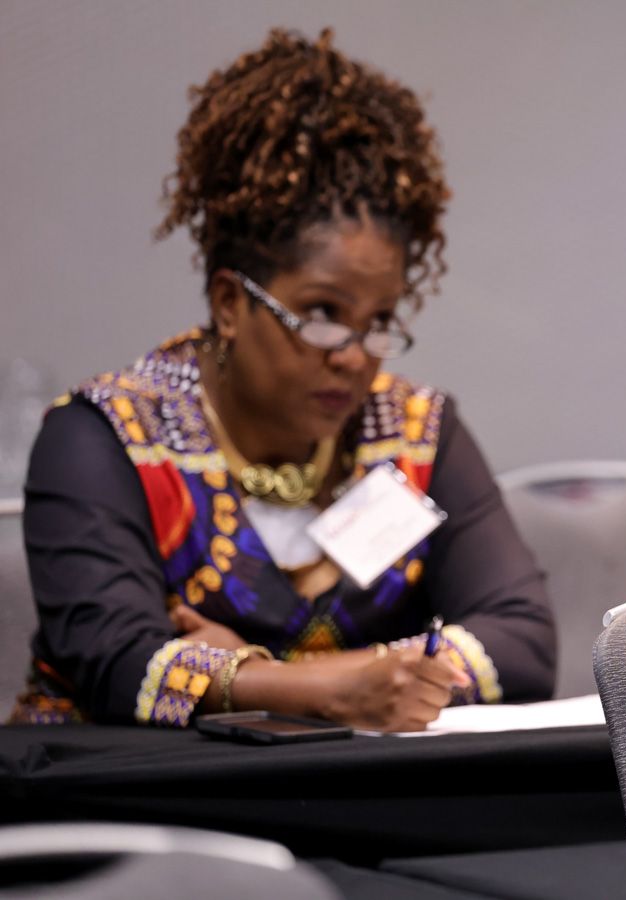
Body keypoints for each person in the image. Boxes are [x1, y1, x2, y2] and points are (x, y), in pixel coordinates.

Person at [9, 29, 555, 731]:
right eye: (322, 315)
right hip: (128, 791)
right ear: (229, 304)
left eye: (379, 320)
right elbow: (119, 666)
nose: (354, 357)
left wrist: (272, 681)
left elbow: (524, 640)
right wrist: (344, 689)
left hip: (353, 790)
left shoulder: (417, 432)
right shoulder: (105, 437)